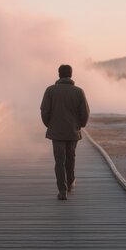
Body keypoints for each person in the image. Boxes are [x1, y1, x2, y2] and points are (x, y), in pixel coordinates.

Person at [40, 64, 90, 200]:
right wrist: (80, 125)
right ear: (71, 74)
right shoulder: (79, 91)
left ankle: (62, 190)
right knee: (71, 157)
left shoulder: (50, 91)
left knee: (59, 160)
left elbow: (44, 111)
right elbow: (85, 112)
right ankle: (70, 183)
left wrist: (50, 125)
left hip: (56, 132)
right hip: (73, 131)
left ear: (59, 74)